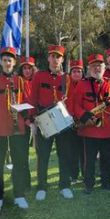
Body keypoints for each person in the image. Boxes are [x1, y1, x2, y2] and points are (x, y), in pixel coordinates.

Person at [0, 47, 33, 212]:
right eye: (4, 60)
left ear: (14, 62)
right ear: (1, 62)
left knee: (19, 162)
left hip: (17, 128)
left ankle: (19, 195)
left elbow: (26, 102)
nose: (7, 63)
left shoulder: (21, 81)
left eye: (10, 60)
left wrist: (28, 120)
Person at [72, 53, 110, 193]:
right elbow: (76, 105)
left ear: (104, 67)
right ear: (89, 68)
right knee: (89, 160)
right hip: (89, 129)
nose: (97, 68)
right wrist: (85, 116)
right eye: (94, 66)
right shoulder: (82, 84)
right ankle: (89, 185)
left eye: (99, 66)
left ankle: (106, 183)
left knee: (107, 158)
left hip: (106, 129)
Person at [30, 45, 73, 200]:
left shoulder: (66, 78)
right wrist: (32, 119)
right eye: (53, 56)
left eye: (58, 57)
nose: (55, 59)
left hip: (62, 120)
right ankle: (42, 187)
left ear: (62, 59)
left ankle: (64, 186)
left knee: (64, 154)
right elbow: (33, 97)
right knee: (43, 155)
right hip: (44, 119)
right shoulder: (39, 76)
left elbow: (71, 99)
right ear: (48, 58)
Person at [64, 59, 85, 182]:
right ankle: (73, 175)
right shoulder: (65, 85)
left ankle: (84, 174)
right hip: (69, 123)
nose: (77, 74)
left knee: (83, 151)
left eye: (79, 71)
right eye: (74, 71)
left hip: (83, 123)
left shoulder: (86, 84)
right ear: (70, 73)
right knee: (72, 151)